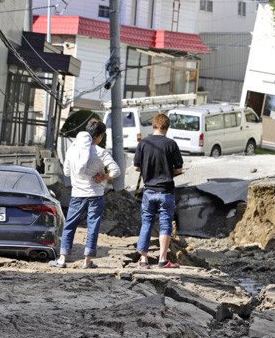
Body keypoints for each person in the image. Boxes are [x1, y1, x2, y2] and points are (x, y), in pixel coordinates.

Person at [50, 119, 120, 269]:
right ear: (99, 136)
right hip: (95, 194)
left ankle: (62, 258)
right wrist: (104, 177)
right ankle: (87, 261)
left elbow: (67, 172)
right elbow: (116, 171)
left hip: (77, 194)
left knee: (70, 225)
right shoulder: (101, 152)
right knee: (93, 226)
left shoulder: (73, 150)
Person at [134, 113, 184, 268]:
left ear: (153, 125)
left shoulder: (143, 143)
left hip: (149, 191)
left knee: (146, 222)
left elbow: (136, 167)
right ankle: (162, 259)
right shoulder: (171, 144)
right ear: (167, 128)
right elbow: (178, 168)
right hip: (166, 191)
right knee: (165, 224)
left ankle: (143, 260)